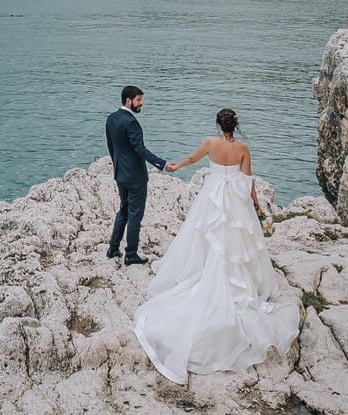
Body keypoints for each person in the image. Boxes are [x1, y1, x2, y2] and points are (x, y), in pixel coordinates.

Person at [132, 108, 299, 383]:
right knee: (237, 244)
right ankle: (239, 283)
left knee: (204, 238)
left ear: (218, 125)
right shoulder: (243, 148)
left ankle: (203, 274)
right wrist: (256, 207)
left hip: (211, 199)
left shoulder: (210, 143)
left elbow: (191, 159)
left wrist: (174, 166)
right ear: (235, 125)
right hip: (235, 202)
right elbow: (247, 182)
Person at [104, 85, 168, 265]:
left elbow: (111, 146)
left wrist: (118, 166)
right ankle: (131, 254)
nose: (141, 104)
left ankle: (113, 248)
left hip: (120, 174)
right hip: (135, 177)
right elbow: (140, 149)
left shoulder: (112, 118)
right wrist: (161, 163)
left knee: (123, 209)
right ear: (128, 100)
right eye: (139, 100)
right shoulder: (131, 122)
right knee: (135, 215)